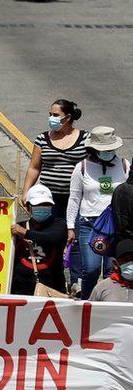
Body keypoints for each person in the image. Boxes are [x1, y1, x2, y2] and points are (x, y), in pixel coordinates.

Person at [67, 126, 128, 299]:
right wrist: (70, 227)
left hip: (115, 225)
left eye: (110, 149)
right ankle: (88, 303)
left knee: (112, 271)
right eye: (104, 150)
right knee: (91, 269)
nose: (108, 152)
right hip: (89, 225)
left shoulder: (124, 165)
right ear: (93, 149)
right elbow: (74, 198)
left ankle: (108, 306)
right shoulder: (82, 167)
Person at [23, 99, 88, 216]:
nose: (51, 118)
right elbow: (34, 167)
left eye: (56, 115)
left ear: (67, 117)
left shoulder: (85, 138)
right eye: (50, 115)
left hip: (77, 197)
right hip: (48, 198)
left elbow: (93, 165)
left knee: (74, 231)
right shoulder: (42, 138)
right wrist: (26, 192)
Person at [9, 184, 68, 296]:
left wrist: (26, 233)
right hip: (20, 291)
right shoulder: (17, 227)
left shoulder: (59, 225)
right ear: (28, 206)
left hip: (51, 290)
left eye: (46, 204)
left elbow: (52, 238)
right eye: (39, 205)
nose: (43, 207)